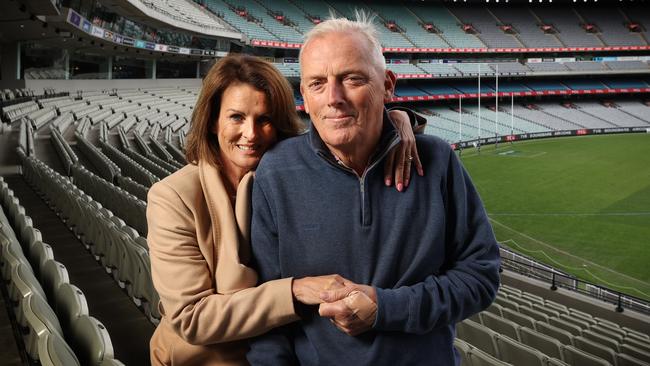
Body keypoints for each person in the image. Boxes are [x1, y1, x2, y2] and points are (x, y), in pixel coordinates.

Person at [247, 13, 501, 366]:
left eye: (352, 79)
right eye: (317, 83)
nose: (334, 97)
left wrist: (387, 308)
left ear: (388, 86)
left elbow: (481, 275)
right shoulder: (276, 172)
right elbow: (266, 308)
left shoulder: (438, 161)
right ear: (303, 93)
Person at [146, 55, 424, 365]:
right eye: (236, 117)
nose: (251, 134)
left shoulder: (286, 175)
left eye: (264, 119)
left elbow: (340, 130)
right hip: (206, 358)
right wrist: (295, 291)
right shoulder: (172, 198)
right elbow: (192, 318)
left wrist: (397, 121)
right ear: (213, 121)